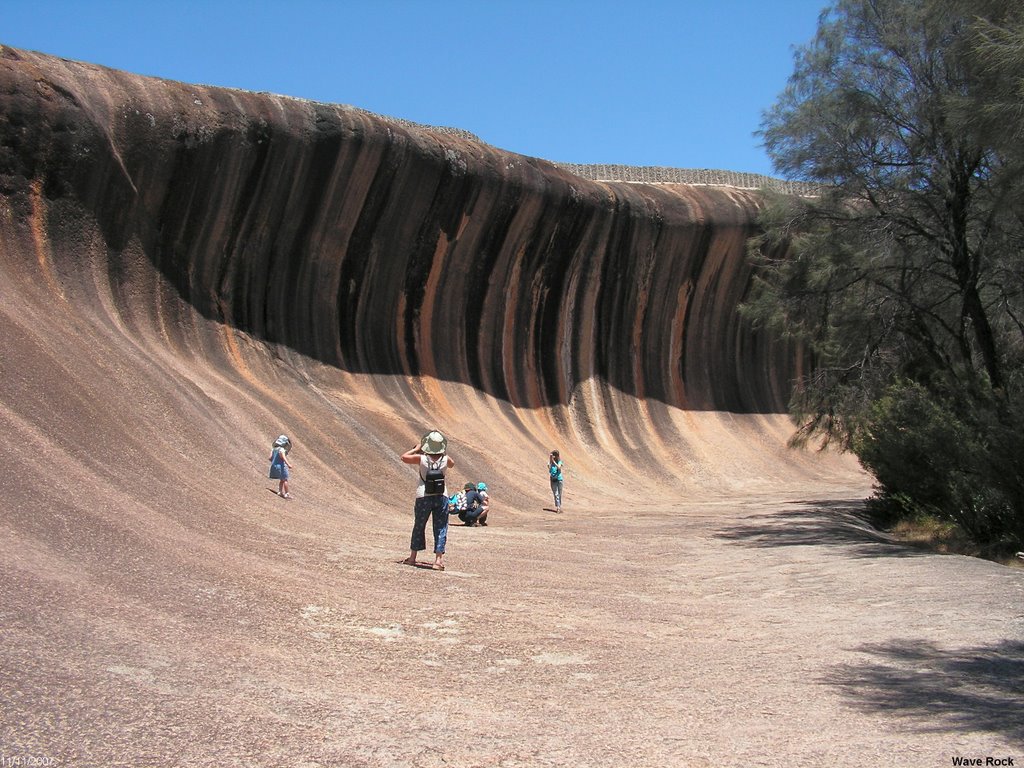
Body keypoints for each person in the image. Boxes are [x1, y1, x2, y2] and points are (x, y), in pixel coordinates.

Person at [400, 430, 455, 571]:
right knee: (441, 527)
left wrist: (416, 449)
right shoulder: (446, 459)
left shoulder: (421, 459)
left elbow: (404, 457)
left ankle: (412, 557)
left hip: (423, 495)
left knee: (419, 525)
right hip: (441, 496)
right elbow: (452, 464)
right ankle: (438, 560)